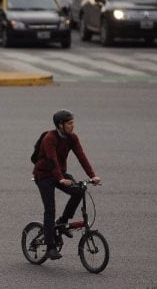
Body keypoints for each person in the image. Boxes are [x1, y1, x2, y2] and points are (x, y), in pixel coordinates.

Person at [32, 109, 100, 261]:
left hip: (59, 174)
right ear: (60, 125)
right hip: (43, 175)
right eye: (69, 124)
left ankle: (62, 222)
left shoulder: (72, 138)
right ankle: (50, 248)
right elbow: (52, 159)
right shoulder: (50, 138)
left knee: (78, 191)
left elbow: (81, 156)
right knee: (50, 209)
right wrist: (60, 179)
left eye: (73, 123)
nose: (72, 126)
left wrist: (92, 176)